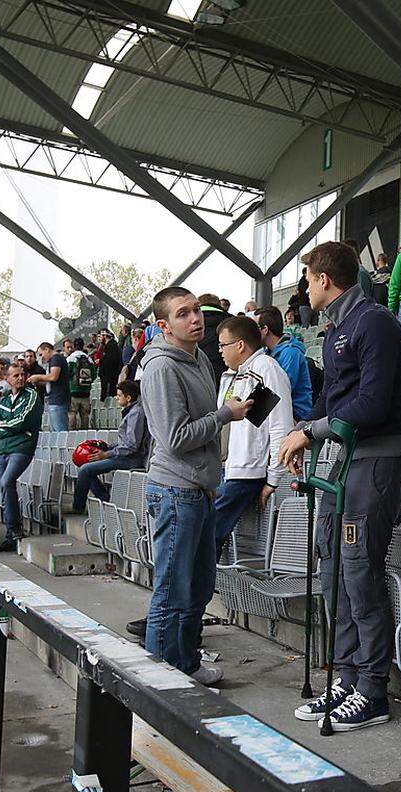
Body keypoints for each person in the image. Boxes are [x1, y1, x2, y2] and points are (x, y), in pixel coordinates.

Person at [279, 241, 401, 733]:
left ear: (324, 279)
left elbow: (374, 404)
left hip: (376, 462)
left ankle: (373, 691)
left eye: (308, 278)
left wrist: (310, 432)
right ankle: (347, 676)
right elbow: (331, 402)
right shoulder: (338, 326)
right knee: (332, 563)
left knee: (359, 571)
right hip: (345, 461)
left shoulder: (374, 322)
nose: (304, 287)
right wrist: (301, 434)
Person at [141, 286, 252, 686]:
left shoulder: (199, 358)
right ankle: (155, 684)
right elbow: (174, 437)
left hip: (201, 488)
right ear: (163, 326)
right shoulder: (161, 368)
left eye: (196, 311)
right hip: (174, 490)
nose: (195, 318)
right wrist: (225, 414)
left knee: (199, 586)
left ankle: (184, 663)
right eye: (183, 313)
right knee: (171, 591)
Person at [212, 316, 294, 554]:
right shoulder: (235, 375)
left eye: (223, 345)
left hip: (246, 473)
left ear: (240, 345)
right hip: (229, 469)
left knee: (207, 535)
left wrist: (272, 480)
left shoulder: (265, 370)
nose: (220, 351)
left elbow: (278, 427)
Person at [0, 362, 44, 552]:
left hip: (22, 448)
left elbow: (23, 421)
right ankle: (10, 534)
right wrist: (6, 429)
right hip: (3, 449)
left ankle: (14, 530)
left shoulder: (32, 396)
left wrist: (2, 429)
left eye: (22, 374)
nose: (20, 378)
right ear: (7, 378)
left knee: (6, 481)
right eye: (16, 375)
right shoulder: (3, 400)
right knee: (3, 487)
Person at [71, 380, 148, 513]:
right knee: (85, 467)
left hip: (131, 459)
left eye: (119, 395)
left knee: (85, 470)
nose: (116, 398)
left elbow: (131, 446)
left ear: (128, 398)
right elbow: (126, 442)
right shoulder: (131, 411)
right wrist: (108, 447)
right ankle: (105, 498)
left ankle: (80, 507)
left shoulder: (136, 413)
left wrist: (106, 454)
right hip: (125, 455)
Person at [255, 305, 313, 421]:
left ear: (265, 330)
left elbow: (278, 391)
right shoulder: (267, 353)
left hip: (295, 417)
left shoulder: (290, 353)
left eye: (254, 328)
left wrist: (250, 412)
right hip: (277, 412)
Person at [29, 342, 68, 431]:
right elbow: (52, 381)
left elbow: (53, 377)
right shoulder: (54, 360)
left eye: (41, 354)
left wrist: (37, 377)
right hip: (55, 398)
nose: (42, 357)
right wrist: (39, 382)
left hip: (58, 399)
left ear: (47, 349)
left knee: (59, 430)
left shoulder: (56, 359)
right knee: (55, 429)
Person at [198, 293, 233, 382]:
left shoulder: (190, 323)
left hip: (197, 378)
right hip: (227, 379)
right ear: (219, 305)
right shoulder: (233, 322)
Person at [64, 338, 95, 430]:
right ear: (83, 346)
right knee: (85, 416)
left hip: (73, 392)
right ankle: (84, 435)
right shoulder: (88, 359)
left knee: (72, 414)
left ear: (74, 346)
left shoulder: (70, 358)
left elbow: (67, 374)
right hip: (86, 393)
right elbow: (94, 375)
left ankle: (72, 435)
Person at [99, 329, 123, 400]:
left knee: (108, 400)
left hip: (109, 379)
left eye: (100, 336)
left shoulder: (112, 346)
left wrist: (101, 361)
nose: (99, 339)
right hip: (108, 378)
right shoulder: (109, 346)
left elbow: (110, 362)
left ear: (105, 336)